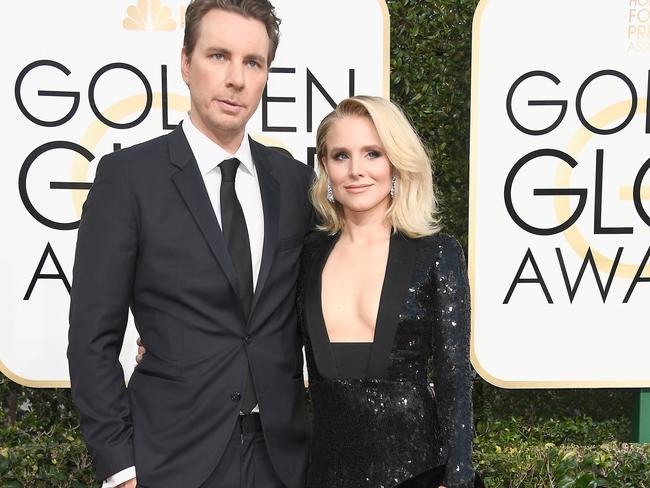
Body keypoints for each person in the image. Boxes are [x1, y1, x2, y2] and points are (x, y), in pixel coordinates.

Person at [67, 1, 312, 487]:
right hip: (171, 459)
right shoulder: (129, 179)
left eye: (253, 62)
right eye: (218, 56)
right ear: (185, 63)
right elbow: (92, 338)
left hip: (283, 461)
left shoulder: (295, 181)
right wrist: (120, 469)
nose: (236, 79)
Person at [299, 96, 476, 488]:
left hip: (418, 472)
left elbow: (453, 376)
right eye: (341, 156)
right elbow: (258, 334)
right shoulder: (307, 254)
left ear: (395, 162)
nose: (356, 170)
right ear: (325, 167)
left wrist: (459, 475)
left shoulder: (436, 254)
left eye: (372, 153)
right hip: (326, 474)